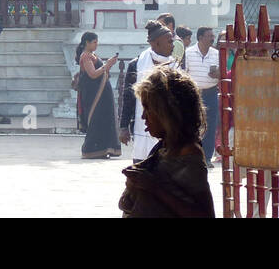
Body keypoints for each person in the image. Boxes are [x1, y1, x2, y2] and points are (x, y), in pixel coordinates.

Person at [118, 64, 214, 217]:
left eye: (147, 109)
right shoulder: (163, 147)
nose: (143, 117)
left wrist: (154, 187)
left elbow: (204, 214)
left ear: (166, 113)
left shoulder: (189, 154)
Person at [119, 20, 176, 160]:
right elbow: (128, 97)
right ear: (156, 43)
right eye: (169, 42)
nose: (173, 45)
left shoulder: (175, 66)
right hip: (142, 128)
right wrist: (123, 127)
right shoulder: (136, 65)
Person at [76, 32, 121, 158]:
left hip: (101, 94)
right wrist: (107, 65)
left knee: (103, 120)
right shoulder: (86, 56)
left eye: (97, 42)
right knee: (96, 120)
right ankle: (91, 150)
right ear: (87, 42)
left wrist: (107, 66)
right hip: (94, 95)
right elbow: (93, 74)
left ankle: (104, 148)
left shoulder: (93, 55)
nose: (96, 44)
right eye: (94, 42)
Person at [183, 25, 221, 165]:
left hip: (211, 92)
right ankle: (192, 155)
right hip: (194, 93)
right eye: (209, 36)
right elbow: (184, 74)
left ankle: (207, 157)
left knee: (210, 126)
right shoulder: (188, 53)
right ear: (200, 38)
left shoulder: (216, 54)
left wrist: (218, 74)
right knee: (193, 124)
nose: (212, 38)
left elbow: (222, 73)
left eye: (212, 36)